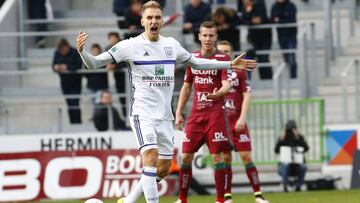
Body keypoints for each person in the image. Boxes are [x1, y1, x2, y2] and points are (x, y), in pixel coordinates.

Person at [76, 1, 256, 203]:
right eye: (150, 17)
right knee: (150, 156)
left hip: (164, 117)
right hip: (142, 113)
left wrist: (230, 63)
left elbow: (197, 63)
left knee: (161, 170)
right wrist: (83, 52)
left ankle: (128, 201)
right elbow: (94, 63)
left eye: (157, 17)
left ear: (161, 21)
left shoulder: (171, 45)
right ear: (142, 20)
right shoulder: (129, 46)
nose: (154, 21)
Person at [174, 21, 232, 203]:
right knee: (185, 156)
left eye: (211, 35)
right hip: (196, 115)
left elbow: (227, 85)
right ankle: (182, 199)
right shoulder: (192, 58)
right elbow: (186, 87)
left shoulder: (222, 59)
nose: (207, 39)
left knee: (217, 156)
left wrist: (219, 94)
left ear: (216, 37)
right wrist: (178, 112)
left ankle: (220, 200)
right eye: (204, 35)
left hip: (215, 113)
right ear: (199, 36)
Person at [217, 40, 269, 203]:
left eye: (227, 51)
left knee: (246, 157)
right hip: (222, 123)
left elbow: (246, 94)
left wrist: (242, 117)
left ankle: (258, 195)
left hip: (237, 122)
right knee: (226, 159)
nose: (224, 54)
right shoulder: (213, 72)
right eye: (221, 51)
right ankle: (227, 197)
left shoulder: (238, 71)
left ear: (231, 54)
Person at [52, 38, 83, 124]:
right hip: (65, 83)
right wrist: (56, 67)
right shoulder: (57, 53)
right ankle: (73, 123)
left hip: (75, 82)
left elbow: (79, 65)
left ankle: (78, 123)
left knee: (75, 104)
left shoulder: (74, 52)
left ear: (67, 47)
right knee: (69, 104)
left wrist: (67, 67)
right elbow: (53, 65)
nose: (63, 52)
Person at [275, 120, 309, 192]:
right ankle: (285, 185)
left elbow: (306, 148)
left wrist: (298, 138)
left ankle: (298, 185)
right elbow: (276, 150)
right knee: (285, 166)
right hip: (285, 166)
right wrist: (281, 140)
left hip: (297, 166)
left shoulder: (299, 138)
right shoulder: (282, 138)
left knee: (303, 167)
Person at [242, 0, 273, 79]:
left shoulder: (260, 4)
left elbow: (261, 19)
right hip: (254, 37)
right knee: (256, 57)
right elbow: (245, 21)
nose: (244, 2)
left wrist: (251, 15)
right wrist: (250, 16)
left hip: (265, 36)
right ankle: (261, 79)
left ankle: (268, 79)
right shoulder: (244, 8)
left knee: (264, 58)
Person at [271, 0, 297, 78]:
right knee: (286, 57)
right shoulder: (274, 6)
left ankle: (293, 77)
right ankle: (290, 75)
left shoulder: (290, 5)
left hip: (291, 35)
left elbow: (291, 19)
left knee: (291, 56)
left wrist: (279, 19)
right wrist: (283, 18)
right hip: (281, 35)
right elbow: (272, 19)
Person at [105, 32, 128, 120]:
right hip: (118, 78)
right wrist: (108, 65)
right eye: (111, 38)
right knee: (122, 98)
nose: (113, 40)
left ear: (118, 38)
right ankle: (126, 118)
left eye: (114, 38)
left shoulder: (124, 46)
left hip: (129, 78)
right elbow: (105, 60)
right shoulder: (109, 48)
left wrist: (115, 66)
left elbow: (127, 61)